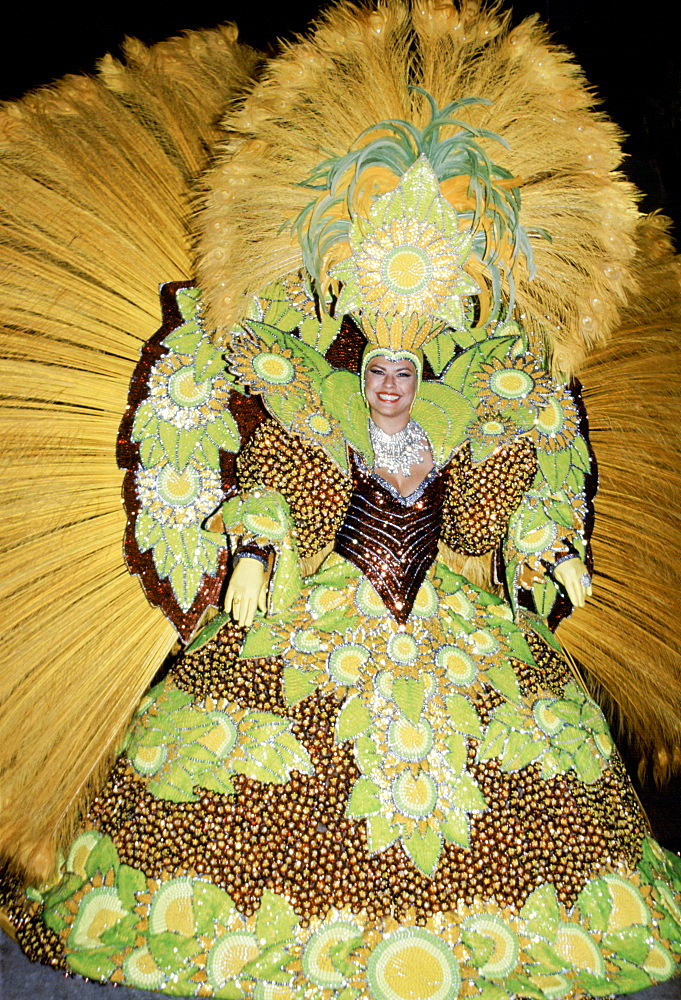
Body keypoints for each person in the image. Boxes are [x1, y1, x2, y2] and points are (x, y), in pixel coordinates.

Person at [1, 2, 680, 998]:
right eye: (382, 364)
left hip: (461, 629)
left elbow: (505, 503)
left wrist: (546, 547)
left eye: (412, 363)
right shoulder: (312, 404)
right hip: (313, 623)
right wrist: (255, 551)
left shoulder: (489, 402)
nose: (395, 381)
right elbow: (284, 484)